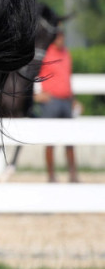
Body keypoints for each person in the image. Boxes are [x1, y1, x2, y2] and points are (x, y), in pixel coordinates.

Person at [35, 28, 79, 183]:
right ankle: (51, 175)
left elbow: (67, 78)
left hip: (66, 100)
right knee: (50, 140)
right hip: (51, 101)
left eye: (62, 35)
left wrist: (73, 99)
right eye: (59, 36)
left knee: (70, 141)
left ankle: (73, 175)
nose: (61, 38)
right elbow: (33, 74)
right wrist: (36, 95)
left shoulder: (66, 53)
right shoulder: (46, 53)